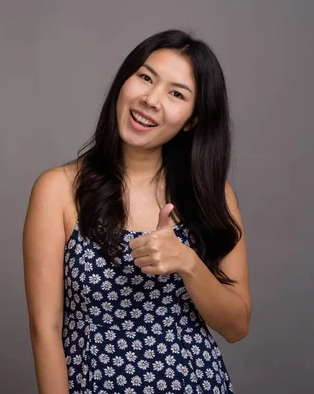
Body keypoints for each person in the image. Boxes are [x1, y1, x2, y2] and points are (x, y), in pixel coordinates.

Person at [22, 29, 251, 394]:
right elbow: (44, 331)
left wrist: (188, 262)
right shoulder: (58, 190)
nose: (151, 99)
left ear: (192, 119)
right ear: (124, 81)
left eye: (176, 94)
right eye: (146, 77)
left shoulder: (212, 194)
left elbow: (236, 326)